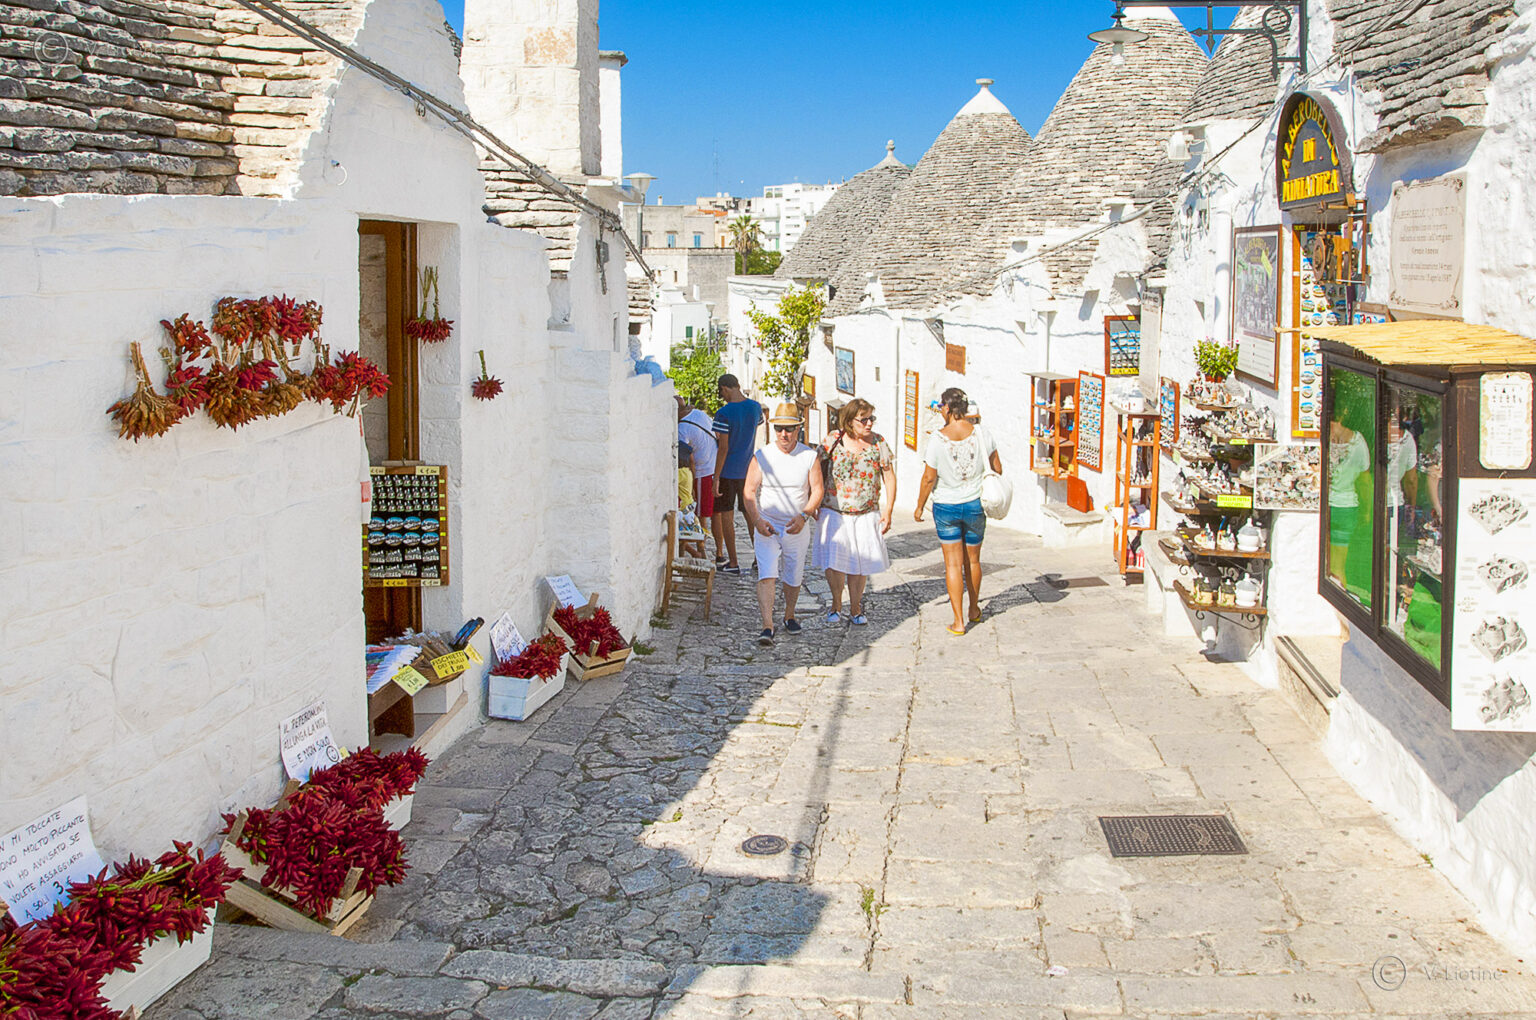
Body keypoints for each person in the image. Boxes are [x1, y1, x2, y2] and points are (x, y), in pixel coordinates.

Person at [913, 387, 1001, 635]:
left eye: (941, 407)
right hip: (974, 504)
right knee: (973, 560)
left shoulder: (937, 439)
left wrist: (919, 506)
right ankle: (974, 609)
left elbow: (929, 477)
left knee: (953, 565)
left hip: (946, 506)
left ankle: (958, 621)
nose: (940, 411)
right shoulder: (982, 433)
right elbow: (997, 468)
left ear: (948, 409)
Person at [742, 403, 824, 646]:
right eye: (779, 429)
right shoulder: (762, 456)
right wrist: (757, 520)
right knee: (767, 573)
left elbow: (817, 489)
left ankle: (789, 614)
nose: (784, 434)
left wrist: (804, 515)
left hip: (796, 527)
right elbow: (749, 490)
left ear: (798, 429)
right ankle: (767, 625)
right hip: (768, 525)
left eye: (789, 429)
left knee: (793, 574)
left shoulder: (809, 456)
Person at [813, 398, 896, 625]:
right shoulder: (833, 440)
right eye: (863, 419)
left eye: (871, 419)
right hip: (834, 511)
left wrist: (888, 509)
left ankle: (856, 607)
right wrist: (813, 499)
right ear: (850, 421)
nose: (869, 423)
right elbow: (814, 467)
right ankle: (836, 604)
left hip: (866, 512)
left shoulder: (878, 443)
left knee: (860, 563)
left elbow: (889, 476)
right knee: (834, 562)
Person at [711, 374, 765, 574]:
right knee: (750, 514)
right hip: (748, 468)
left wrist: (716, 477)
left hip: (728, 471)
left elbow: (723, 448)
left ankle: (733, 563)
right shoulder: (756, 408)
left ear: (725, 388)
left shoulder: (723, 413)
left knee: (727, 515)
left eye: (722, 393)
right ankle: (759, 558)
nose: (723, 397)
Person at [676, 395, 719, 560]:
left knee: (702, 517)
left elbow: (689, 457)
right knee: (713, 513)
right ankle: (717, 553)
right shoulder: (699, 413)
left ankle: (701, 552)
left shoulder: (682, 428)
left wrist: (692, 482)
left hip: (702, 472)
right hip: (714, 466)